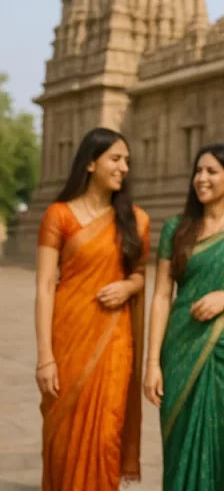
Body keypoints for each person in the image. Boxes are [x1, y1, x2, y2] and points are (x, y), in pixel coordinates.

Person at [144, 143, 224, 491]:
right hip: (179, 348)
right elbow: (162, 296)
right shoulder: (175, 229)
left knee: (223, 440)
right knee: (179, 440)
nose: (202, 178)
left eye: (211, 171)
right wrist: (152, 362)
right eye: (198, 171)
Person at [34, 127, 150, 491]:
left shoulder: (137, 220)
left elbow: (142, 274)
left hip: (114, 343)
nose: (123, 168)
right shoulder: (59, 215)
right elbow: (42, 286)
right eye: (115, 159)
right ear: (89, 163)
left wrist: (129, 285)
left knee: (104, 437)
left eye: (127, 161)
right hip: (67, 338)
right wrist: (45, 357)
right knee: (64, 438)